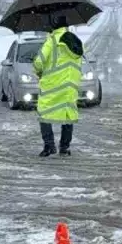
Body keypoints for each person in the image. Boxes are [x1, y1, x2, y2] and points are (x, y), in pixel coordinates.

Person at [32, 16, 84, 157]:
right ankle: (64, 147)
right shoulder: (75, 41)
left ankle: (49, 146)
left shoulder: (52, 41)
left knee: (44, 114)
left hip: (52, 86)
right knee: (67, 115)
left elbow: (39, 62)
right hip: (70, 87)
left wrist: (38, 71)